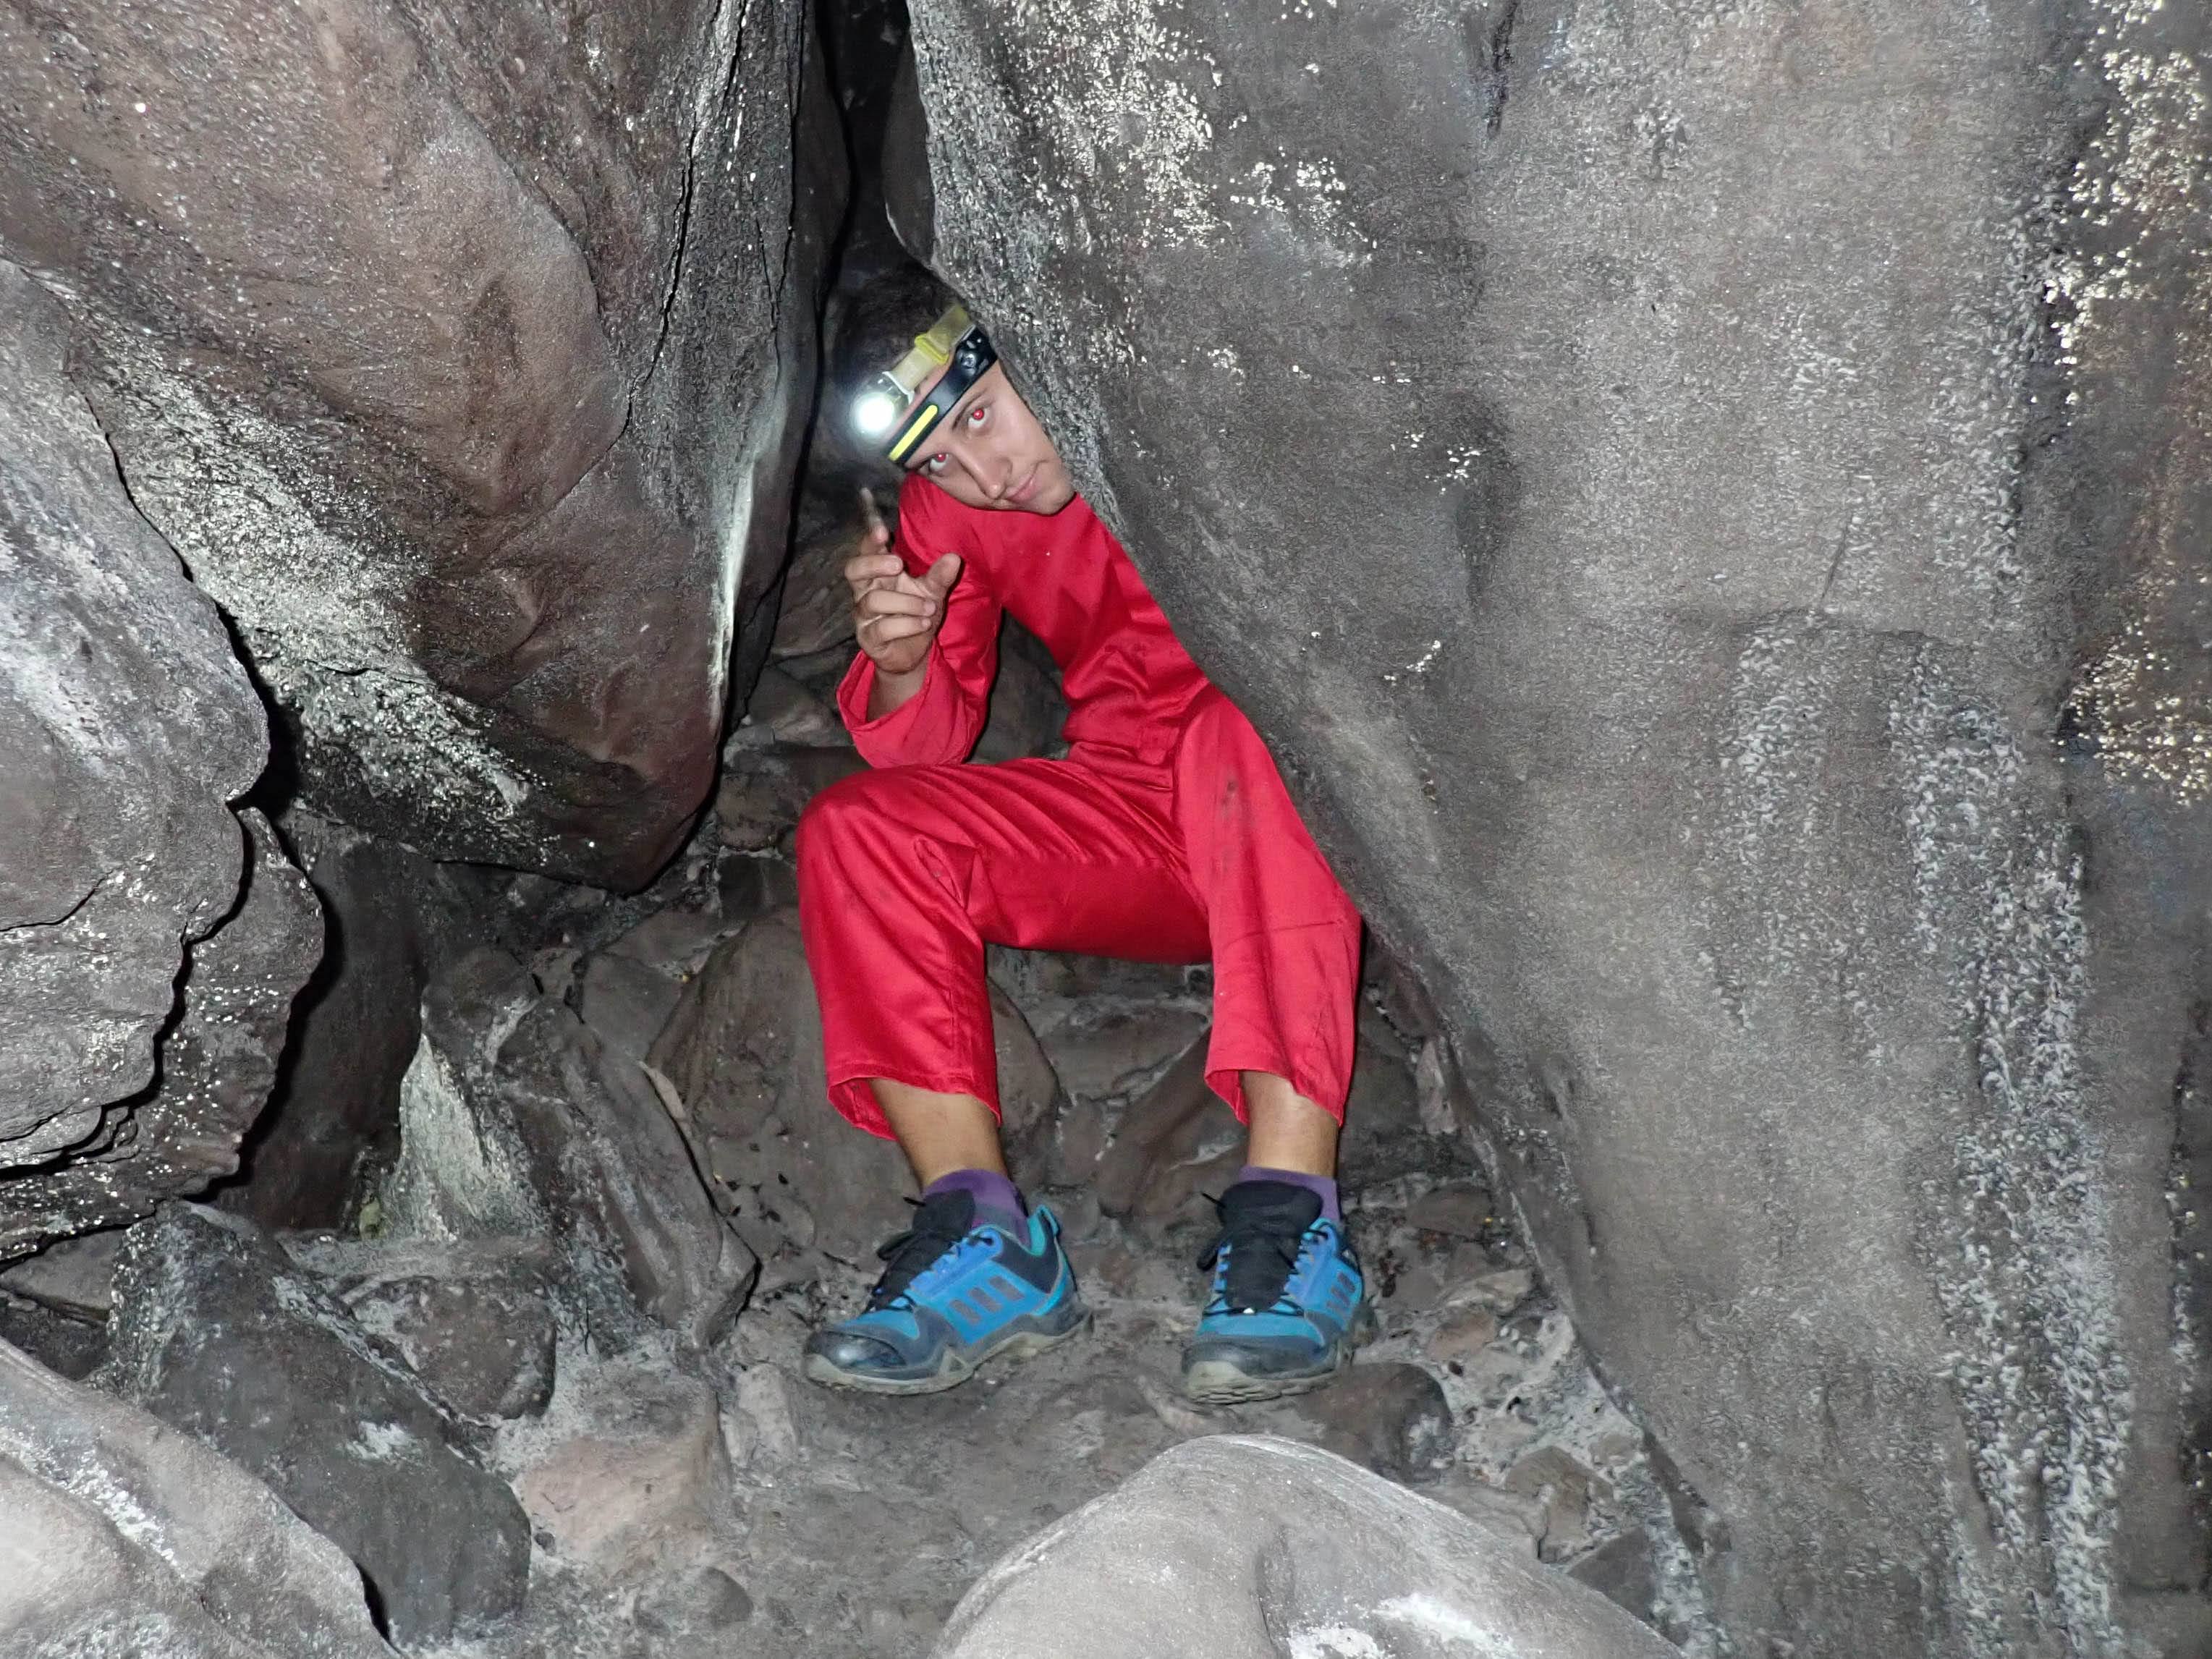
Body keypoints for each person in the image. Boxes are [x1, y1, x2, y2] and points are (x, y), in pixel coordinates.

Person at [794, 274, 1367, 1404]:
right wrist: (902, 656)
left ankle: (1295, 1216)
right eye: (940, 460)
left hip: (1288, 805)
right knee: (857, 833)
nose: (986, 473)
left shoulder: (1172, 404)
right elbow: (920, 754)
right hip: (1130, 818)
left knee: (1244, 719)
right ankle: (984, 1235)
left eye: (981, 415)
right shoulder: (950, 519)